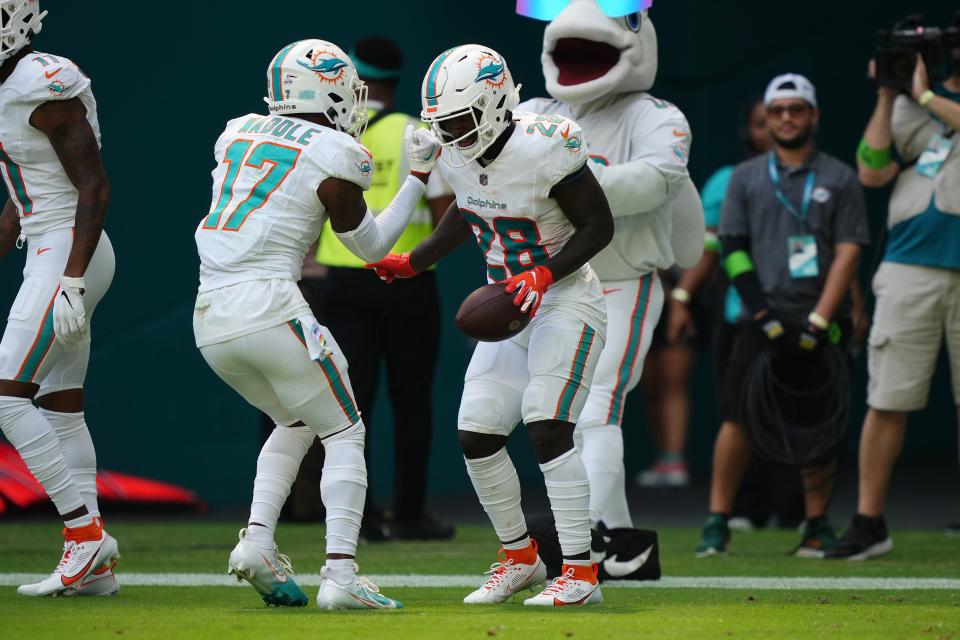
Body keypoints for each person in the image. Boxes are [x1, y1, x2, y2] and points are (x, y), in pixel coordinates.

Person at [193, 39, 435, 609]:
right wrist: (419, 174)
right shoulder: (334, 150)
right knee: (346, 430)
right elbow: (373, 245)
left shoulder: (237, 131)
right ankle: (342, 575)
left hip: (210, 313)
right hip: (273, 307)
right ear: (326, 90)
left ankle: (256, 542)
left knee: (296, 419)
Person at [368, 44, 613, 606]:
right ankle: (520, 558)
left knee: (547, 426)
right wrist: (415, 260)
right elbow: (468, 209)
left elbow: (599, 226)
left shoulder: (547, 143)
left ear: (497, 103)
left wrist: (547, 274)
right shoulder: (452, 149)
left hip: (565, 298)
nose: (450, 135)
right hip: (511, 302)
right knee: (476, 432)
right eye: (442, 125)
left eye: (459, 121)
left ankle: (580, 573)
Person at [517, 1, 702, 530]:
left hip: (623, 280)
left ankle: (589, 533)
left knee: (598, 407)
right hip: (555, 283)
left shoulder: (658, 115)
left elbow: (657, 179)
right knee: (559, 413)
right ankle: (621, 540)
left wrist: (556, 188)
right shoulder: (535, 113)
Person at [695, 74, 870, 558]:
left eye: (797, 109)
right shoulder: (745, 178)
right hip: (758, 318)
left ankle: (816, 524)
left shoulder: (839, 177)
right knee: (737, 417)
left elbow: (849, 251)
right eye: (778, 111)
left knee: (821, 422)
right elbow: (731, 248)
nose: (787, 118)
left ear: (814, 116)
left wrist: (821, 318)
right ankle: (717, 524)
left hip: (822, 318)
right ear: (766, 120)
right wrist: (764, 313)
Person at [313, 36, 454, 541]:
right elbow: (445, 215)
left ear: (357, 79)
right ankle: (411, 514)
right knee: (412, 400)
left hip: (345, 284)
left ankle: (363, 518)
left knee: (354, 403)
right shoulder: (417, 132)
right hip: (411, 279)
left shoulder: (333, 135)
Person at [0, 0, 119, 597]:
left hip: (69, 251)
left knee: (4, 397)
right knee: (60, 405)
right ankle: (96, 574)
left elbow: (93, 186)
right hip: (51, 247)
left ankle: (85, 534)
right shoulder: (9, 87)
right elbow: (23, 195)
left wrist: (71, 277)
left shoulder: (38, 84)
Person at [828, 44, 960, 560]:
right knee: (887, 398)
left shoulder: (927, 98)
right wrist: (888, 95)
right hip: (909, 267)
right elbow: (873, 170)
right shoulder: (914, 102)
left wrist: (925, 93)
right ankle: (868, 521)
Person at [637, 97, 772, 490]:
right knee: (646, 384)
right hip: (640, 295)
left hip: (681, 294)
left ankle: (674, 460)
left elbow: (702, 247)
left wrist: (680, 294)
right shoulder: (623, 178)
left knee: (674, 381)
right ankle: (663, 460)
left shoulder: (682, 186)